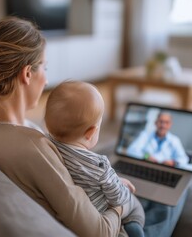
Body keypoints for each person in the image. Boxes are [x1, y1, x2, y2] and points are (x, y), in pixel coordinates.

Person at [0, 16, 188, 237]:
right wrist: (121, 204)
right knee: (171, 198)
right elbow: (98, 231)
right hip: (111, 226)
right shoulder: (33, 145)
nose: (47, 80)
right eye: (45, 67)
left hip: (90, 196)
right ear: (27, 74)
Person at [45, 81, 145, 237]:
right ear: (91, 132)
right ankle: (135, 229)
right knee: (134, 203)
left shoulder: (47, 144)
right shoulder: (99, 165)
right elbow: (118, 198)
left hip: (76, 218)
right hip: (101, 217)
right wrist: (121, 185)